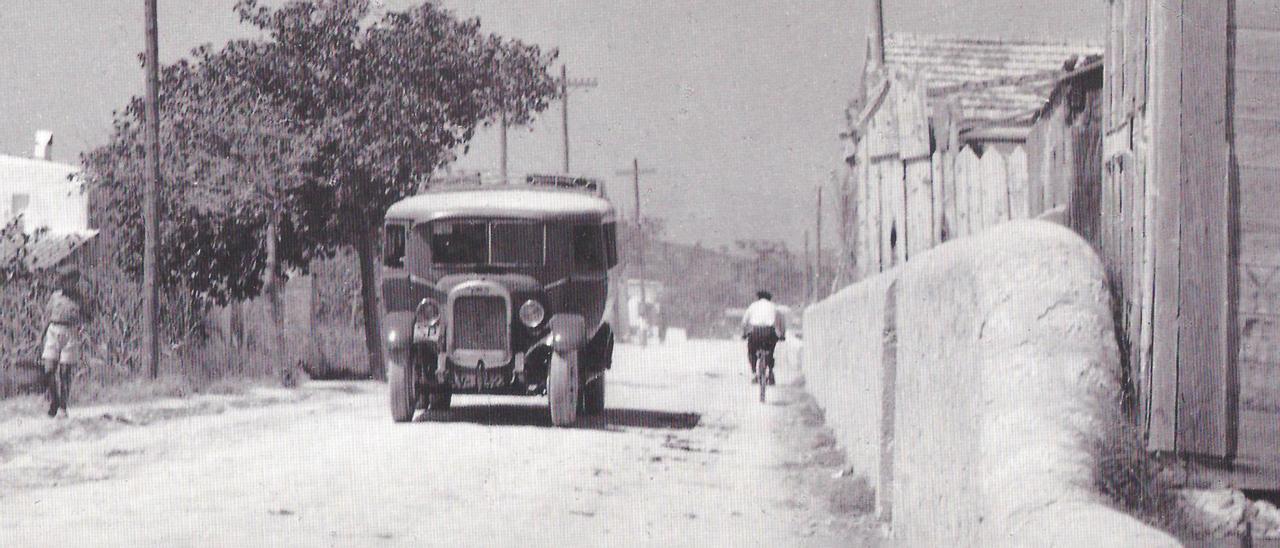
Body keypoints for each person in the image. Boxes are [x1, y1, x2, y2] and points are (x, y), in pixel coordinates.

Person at [41, 266, 86, 418]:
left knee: (65, 371)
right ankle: (54, 400)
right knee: (48, 369)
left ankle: (63, 406)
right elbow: (47, 315)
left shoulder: (79, 298)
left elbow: (87, 316)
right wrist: (42, 335)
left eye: (72, 280)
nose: (69, 283)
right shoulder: (55, 297)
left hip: (70, 333)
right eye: (65, 280)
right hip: (54, 330)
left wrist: (82, 327)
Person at [741, 290, 786, 385]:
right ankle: (770, 371)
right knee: (770, 351)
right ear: (769, 298)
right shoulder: (774, 306)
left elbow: (744, 322)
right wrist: (782, 335)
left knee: (751, 351)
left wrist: (744, 334)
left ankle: (754, 373)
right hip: (769, 332)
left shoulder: (753, 306)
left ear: (758, 297)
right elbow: (781, 323)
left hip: (756, 332)